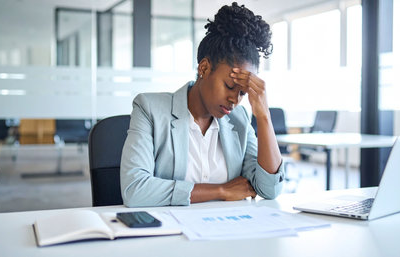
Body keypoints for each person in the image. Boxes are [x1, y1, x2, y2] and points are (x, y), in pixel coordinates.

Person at [120, 2, 285, 207]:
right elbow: (135, 190)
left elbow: (270, 190)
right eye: (229, 85)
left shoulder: (240, 120)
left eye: (242, 92)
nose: (235, 99)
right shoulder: (150, 109)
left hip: (225, 229)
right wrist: (221, 191)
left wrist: (264, 117)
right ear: (204, 68)